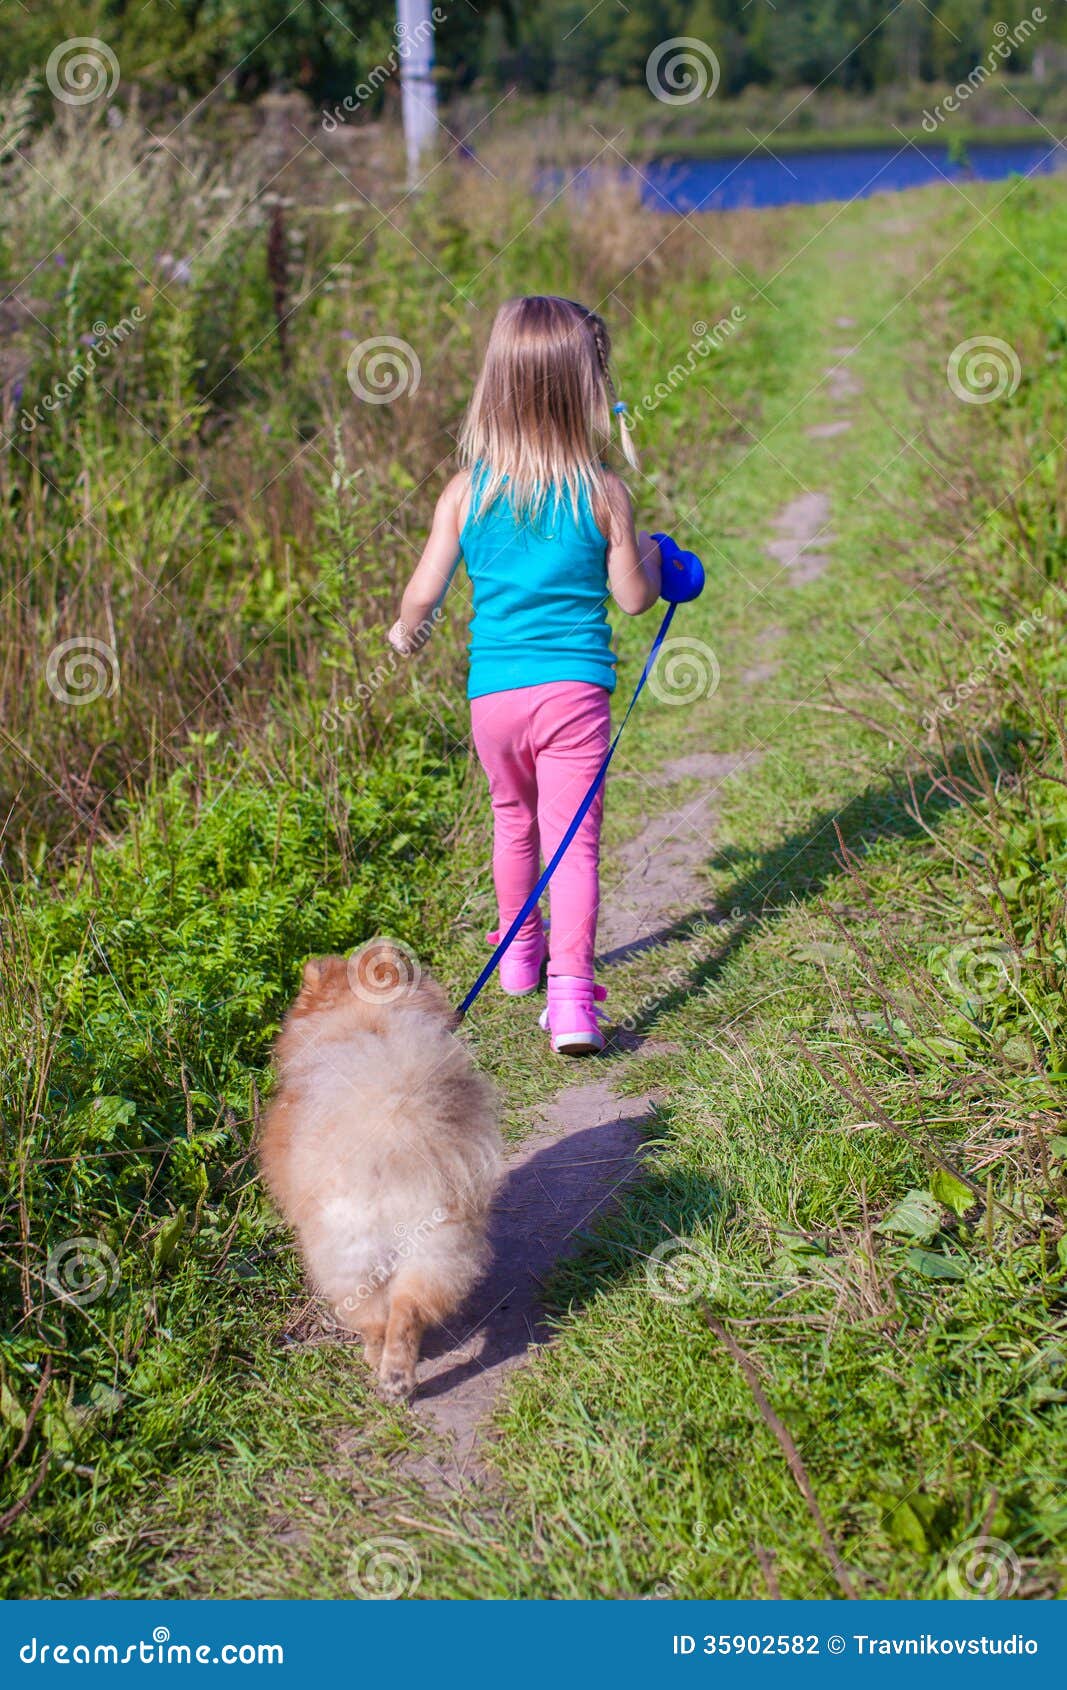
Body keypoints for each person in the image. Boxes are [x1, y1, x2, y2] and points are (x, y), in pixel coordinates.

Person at [389, 295, 662, 1054]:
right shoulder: (604, 493)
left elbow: (423, 592)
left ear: (495, 385)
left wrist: (405, 633)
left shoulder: (465, 492)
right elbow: (633, 599)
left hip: (493, 698)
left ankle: (517, 957)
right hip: (572, 692)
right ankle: (571, 1001)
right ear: (587, 388)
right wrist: (657, 560)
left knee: (512, 821)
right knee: (571, 844)